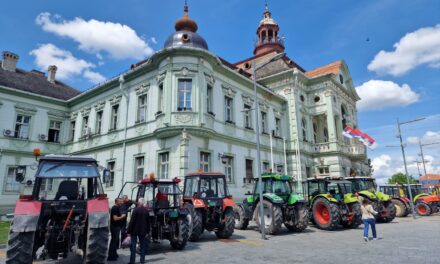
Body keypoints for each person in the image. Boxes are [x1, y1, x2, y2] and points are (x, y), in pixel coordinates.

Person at [127, 198, 150, 264]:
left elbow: (132, 221)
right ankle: (142, 260)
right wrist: (148, 232)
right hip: (143, 231)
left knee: (133, 246)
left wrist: (128, 231)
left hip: (134, 230)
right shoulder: (146, 211)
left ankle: (132, 261)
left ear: (139, 203)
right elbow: (148, 223)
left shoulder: (135, 210)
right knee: (143, 246)